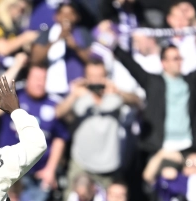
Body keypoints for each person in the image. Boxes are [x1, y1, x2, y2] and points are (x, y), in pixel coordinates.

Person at [113, 31, 196, 158]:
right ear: (164, 63)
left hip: (187, 146)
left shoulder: (191, 81)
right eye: (174, 58)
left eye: (179, 58)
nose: (179, 62)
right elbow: (131, 65)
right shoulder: (153, 82)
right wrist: (114, 45)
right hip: (159, 148)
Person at [56, 59, 140, 191]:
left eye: (100, 76)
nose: (96, 81)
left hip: (109, 165)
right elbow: (58, 113)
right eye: (92, 76)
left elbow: (137, 101)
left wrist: (118, 92)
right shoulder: (80, 96)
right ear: (86, 77)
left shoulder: (114, 96)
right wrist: (73, 95)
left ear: (106, 77)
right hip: (81, 162)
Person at [0, 63, 68, 201]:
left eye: (43, 78)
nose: (40, 82)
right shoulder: (14, 97)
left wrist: (51, 169)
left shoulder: (54, 104)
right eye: (36, 78)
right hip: (9, 169)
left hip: (37, 174)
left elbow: (60, 137)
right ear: (27, 78)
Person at [30, 2, 92, 96]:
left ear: (77, 17)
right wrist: (56, 40)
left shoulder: (83, 33)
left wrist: (76, 47)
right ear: (56, 16)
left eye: (70, 13)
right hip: (52, 89)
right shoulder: (47, 33)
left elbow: (92, 60)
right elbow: (35, 59)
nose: (66, 17)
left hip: (78, 89)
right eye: (62, 13)